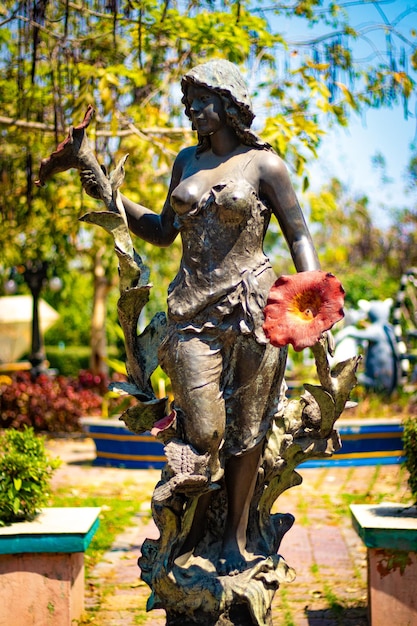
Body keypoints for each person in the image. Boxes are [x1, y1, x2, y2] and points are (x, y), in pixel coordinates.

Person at [82, 59, 320, 575]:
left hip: (255, 310)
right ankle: (189, 522)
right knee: (206, 429)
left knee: (248, 430)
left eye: (202, 100)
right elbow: (164, 230)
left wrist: (313, 297)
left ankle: (233, 539)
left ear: (231, 104)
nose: (192, 110)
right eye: (189, 101)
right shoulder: (184, 161)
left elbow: (299, 234)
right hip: (190, 313)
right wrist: (105, 188)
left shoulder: (264, 165)